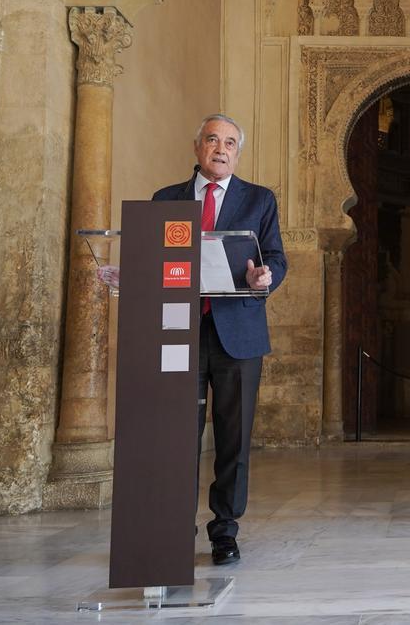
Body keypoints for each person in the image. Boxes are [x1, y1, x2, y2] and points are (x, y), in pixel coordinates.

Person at [153, 113, 287, 565]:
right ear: (197, 148)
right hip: (180, 331)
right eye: (213, 140)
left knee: (234, 439)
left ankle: (225, 530)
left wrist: (264, 277)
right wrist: (131, 273)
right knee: (176, 437)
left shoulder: (259, 200)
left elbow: (276, 260)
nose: (221, 149)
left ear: (238, 152)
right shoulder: (166, 199)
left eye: (230, 142)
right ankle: (172, 526)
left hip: (239, 334)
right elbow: (154, 260)